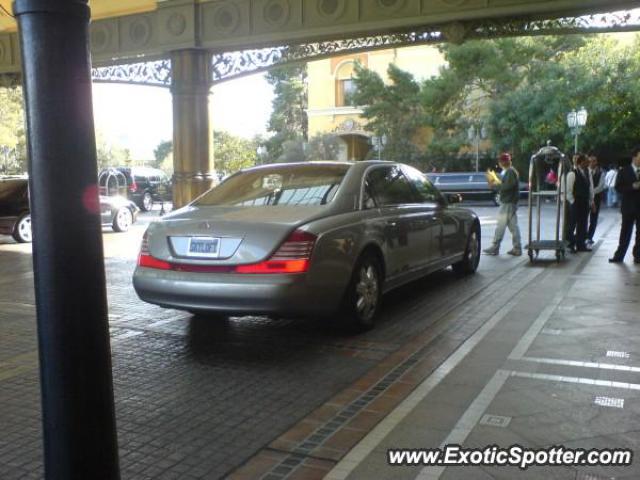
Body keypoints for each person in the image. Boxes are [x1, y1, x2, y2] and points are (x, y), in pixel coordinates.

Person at [483, 152, 522, 256]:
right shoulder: (508, 171)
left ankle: (495, 247)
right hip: (510, 202)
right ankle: (517, 248)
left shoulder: (510, 171)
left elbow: (507, 186)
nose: (499, 163)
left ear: (503, 162)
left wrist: (495, 185)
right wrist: (495, 179)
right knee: (514, 227)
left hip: (508, 203)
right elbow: (506, 183)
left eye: (500, 161)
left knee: (500, 225)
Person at [609, 147, 640, 264]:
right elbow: (618, 187)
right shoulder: (624, 171)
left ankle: (638, 255)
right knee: (625, 231)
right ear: (634, 157)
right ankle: (619, 255)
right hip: (628, 207)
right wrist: (632, 187)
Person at [565, 153, 593, 253]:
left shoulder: (586, 173)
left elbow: (589, 188)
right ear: (581, 162)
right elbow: (568, 190)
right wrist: (573, 202)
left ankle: (581, 245)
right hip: (576, 202)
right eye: (586, 161)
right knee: (572, 224)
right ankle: (571, 243)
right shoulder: (572, 173)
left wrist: (591, 201)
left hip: (584, 203)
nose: (588, 163)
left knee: (583, 224)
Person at [587, 154, 605, 245]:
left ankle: (589, 237)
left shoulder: (601, 172)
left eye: (594, 161)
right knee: (583, 219)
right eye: (590, 161)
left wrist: (591, 192)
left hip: (596, 199)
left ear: (596, 162)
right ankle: (582, 236)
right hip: (585, 199)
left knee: (593, 219)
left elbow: (601, 186)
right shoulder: (585, 171)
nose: (592, 163)